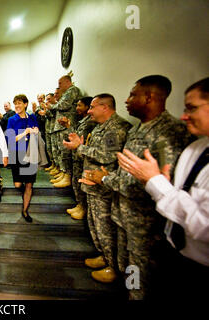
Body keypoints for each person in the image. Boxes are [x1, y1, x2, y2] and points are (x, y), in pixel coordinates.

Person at [84, 75, 193, 299]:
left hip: (143, 220)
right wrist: (109, 176)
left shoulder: (169, 132)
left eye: (133, 94)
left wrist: (105, 179)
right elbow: (127, 169)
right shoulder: (137, 130)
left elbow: (159, 180)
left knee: (140, 270)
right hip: (124, 211)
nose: (127, 100)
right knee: (127, 264)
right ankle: (129, 291)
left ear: (149, 97)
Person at [116, 77, 209, 299]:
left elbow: (203, 222)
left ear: (149, 97)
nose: (185, 115)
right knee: (132, 268)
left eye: (192, 108)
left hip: (148, 222)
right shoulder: (197, 148)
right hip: (136, 217)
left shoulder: (174, 132)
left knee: (141, 275)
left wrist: (156, 182)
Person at [64, 94, 131, 283]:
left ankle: (112, 266)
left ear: (105, 107)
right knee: (97, 227)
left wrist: (80, 147)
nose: (89, 111)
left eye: (92, 107)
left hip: (104, 189)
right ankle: (105, 256)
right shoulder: (101, 127)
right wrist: (79, 146)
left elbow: (106, 156)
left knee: (105, 228)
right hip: (93, 186)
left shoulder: (117, 128)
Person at [62, 96, 97, 219]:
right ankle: (80, 205)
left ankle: (83, 206)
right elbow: (75, 136)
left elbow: (80, 139)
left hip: (83, 157)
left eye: (79, 105)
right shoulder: (83, 120)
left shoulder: (90, 122)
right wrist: (68, 126)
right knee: (77, 183)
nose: (77, 108)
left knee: (80, 184)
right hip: (79, 156)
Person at [6, 94, 39, 223]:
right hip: (17, 154)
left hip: (31, 154)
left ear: (25, 104)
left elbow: (36, 131)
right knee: (18, 184)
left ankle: (25, 210)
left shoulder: (32, 117)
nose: (17, 106)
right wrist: (24, 133)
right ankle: (25, 189)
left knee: (29, 185)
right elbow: (10, 139)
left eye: (19, 103)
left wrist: (36, 131)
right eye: (15, 104)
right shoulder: (12, 120)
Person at [50, 76, 82, 188]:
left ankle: (67, 176)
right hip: (62, 126)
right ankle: (64, 173)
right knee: (61, 152)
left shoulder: (73, 90)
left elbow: (63, 105)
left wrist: (52, 106)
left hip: (67, 126)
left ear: (67, 82)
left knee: (66, 153)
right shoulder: (67, 92)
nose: (59, 86)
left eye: (60, 83)